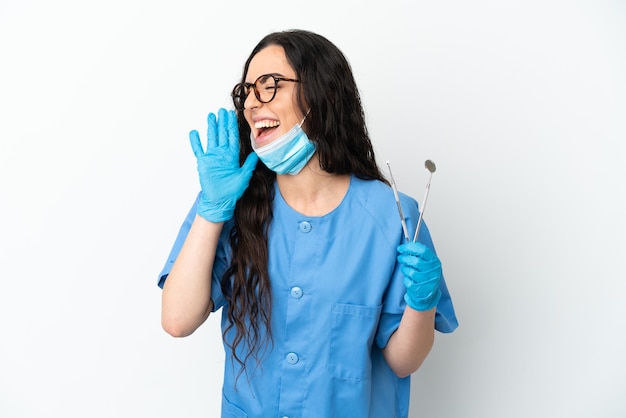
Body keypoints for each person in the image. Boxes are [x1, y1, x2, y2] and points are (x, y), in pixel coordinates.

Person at [158, 29, 458, 418]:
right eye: (247, 90)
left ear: (324, 95)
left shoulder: (391, 216)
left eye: (270, 85)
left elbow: (403, 362)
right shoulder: (232, 202)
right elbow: (177, 320)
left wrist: (422, 304)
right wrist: (212, 210)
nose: (251, 102)